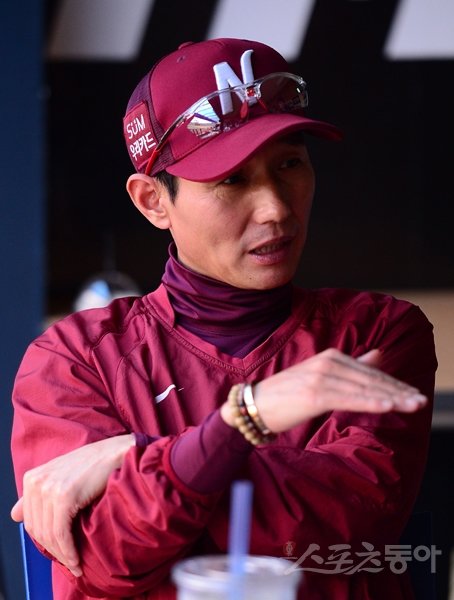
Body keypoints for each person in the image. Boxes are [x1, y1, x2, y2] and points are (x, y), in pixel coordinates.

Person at [10, 38, 436, 600]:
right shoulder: (73, 358)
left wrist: (134, 457)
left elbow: (350, 527)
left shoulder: (376, 333)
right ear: (152, 200)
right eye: (231, 179)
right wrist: (245, 420)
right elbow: (104, 556)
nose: (276, 209)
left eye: (289, 164)